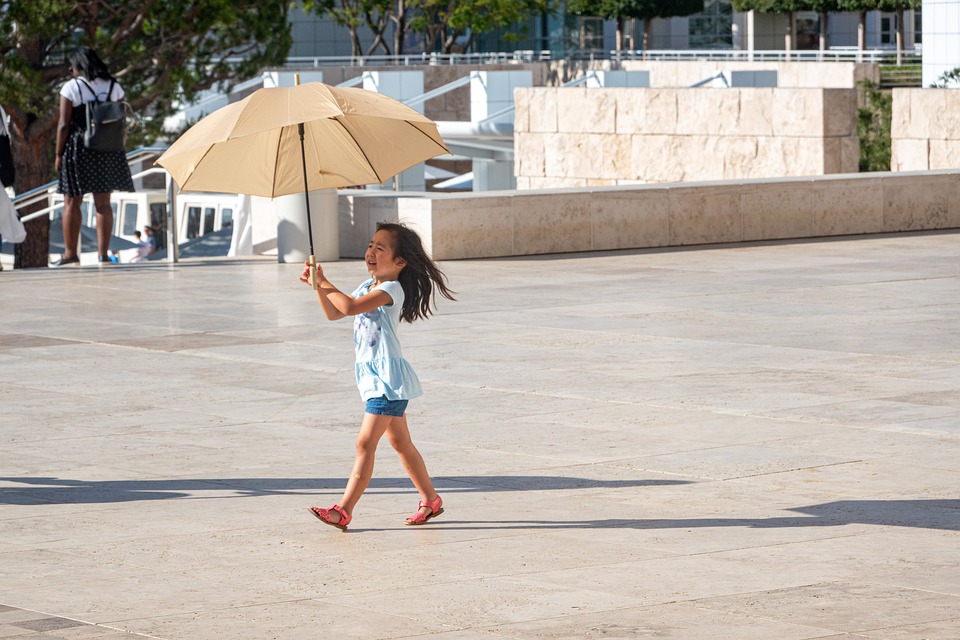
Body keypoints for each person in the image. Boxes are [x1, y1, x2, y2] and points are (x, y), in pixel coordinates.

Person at [300, 222, 455, 530]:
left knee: (364, 443)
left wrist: (325, 280)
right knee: (401, 444)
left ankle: (343, 510)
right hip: (374, 378)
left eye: (380, 248)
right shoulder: (365, 285)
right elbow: (335, 312)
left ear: (400, 262)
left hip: (386, 380)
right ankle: (431, 499)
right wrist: (318, 286)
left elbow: (351, 306)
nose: (371, 252)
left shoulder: (390, 289)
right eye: (370, 245)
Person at [53, 46, 133, 266]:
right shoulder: (114, 86)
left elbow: (63, 125)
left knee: (71, 201)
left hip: (79, 147)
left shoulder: (72, 87)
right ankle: (103, 255)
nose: (70, 69)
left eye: (72, 65)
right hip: (108, 149)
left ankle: (70, 254)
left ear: (79, 66)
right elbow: (121, 120)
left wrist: (59, 154)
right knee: (103, 203)